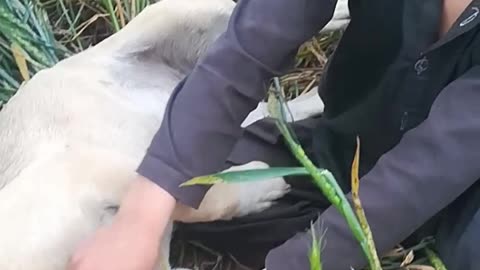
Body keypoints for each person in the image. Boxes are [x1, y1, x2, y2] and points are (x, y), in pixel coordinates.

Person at [68, 0, 480, 269]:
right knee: (190, 186)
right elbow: (246, 51)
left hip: (465, 197)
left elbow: (423, 175)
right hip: (344, 144)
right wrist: (139, 220)